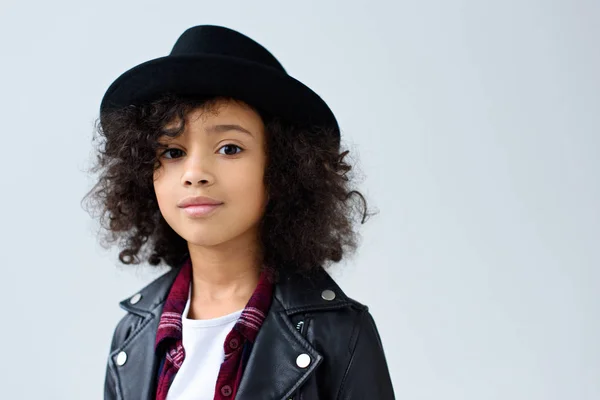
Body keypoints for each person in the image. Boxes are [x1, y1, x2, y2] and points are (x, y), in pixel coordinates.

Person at [85, 24, 395, 399]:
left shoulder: (339, 335)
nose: (195, 174)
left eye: (229, 148)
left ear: (281, 168)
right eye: (172, 152)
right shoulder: (131, 336)